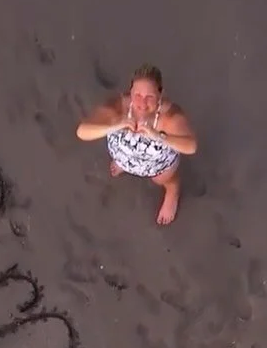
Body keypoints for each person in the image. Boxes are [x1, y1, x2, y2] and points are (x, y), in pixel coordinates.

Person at [76, 64, 197, 226]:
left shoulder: (169, 116)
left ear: (160, 94)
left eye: (150, 97)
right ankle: (125, 165)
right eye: (137, 95)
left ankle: (172, 192)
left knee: (162, 180)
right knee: (121, 161)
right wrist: (115, 125)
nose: (142, 103)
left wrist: (159, 136)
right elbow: (82, 131)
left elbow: (191, 146)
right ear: (130, 91)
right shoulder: (119, 106)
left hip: (157, 165)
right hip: (124, 155)